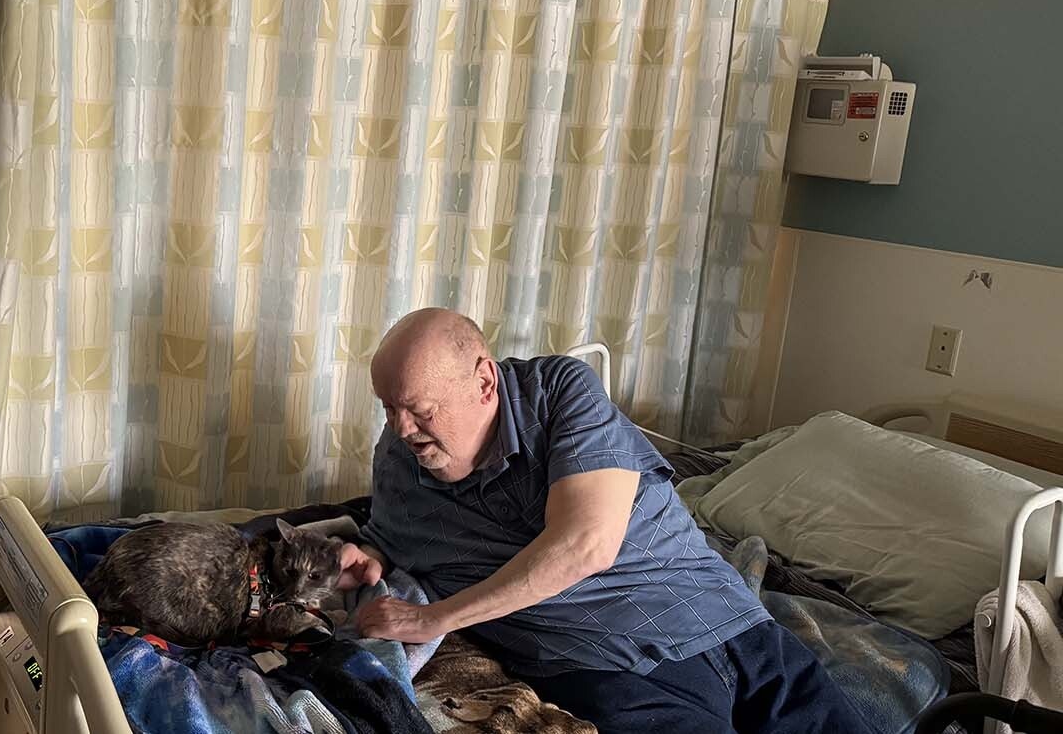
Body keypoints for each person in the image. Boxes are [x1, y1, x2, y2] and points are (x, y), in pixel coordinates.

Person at [337, 308, 869, 733]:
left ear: (484, 383)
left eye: (420, 410)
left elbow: (586, 543)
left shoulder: (559, 392)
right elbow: (390, 534)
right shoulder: (399, 457)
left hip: (725, 622)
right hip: (606, 665)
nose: (402, 429)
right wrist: (371, 557)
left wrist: (438, 618)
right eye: (388, 408)